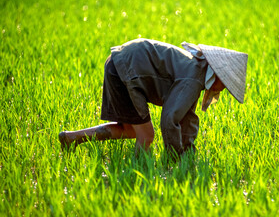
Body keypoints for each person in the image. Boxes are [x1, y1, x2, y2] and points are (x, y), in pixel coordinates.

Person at [59, 38, 248, 158]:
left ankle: (72, 138)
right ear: (219, 77)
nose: (223, 91)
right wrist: (174, 157)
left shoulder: (196, 69)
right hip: (126, 69)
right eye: (226, 85)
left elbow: (187, 117)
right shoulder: (193, 78)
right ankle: (137, 171)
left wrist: (188, 150)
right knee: (147, 135)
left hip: (118, 64)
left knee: (130, 130)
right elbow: (170, 118)